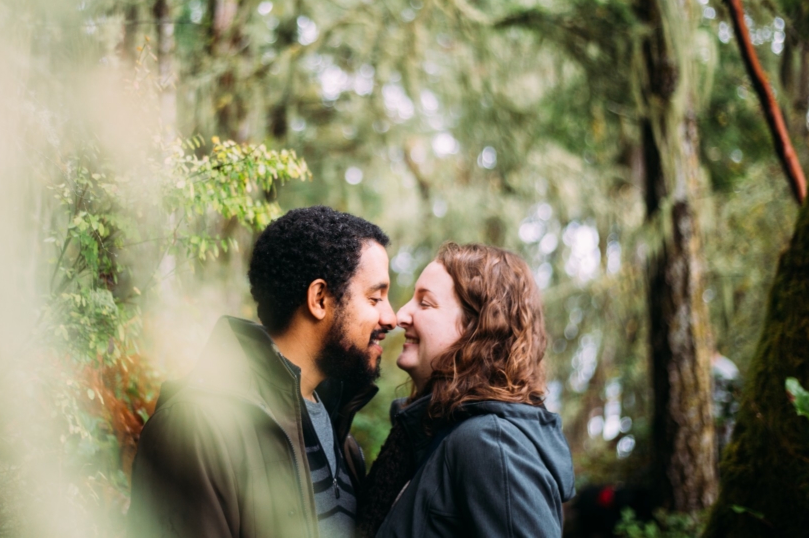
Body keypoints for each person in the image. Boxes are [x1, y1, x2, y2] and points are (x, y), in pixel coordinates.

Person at [129, 205, 397, 538]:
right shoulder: (195, 428)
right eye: (375, 298)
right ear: (319, 299)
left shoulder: (343, 441)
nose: (392, 318)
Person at [357, 242, 575, 538]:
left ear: (478, 328)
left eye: (425, 303)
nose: (401, 315)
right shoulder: (430, 433)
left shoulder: (489, 444)